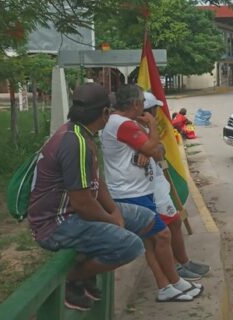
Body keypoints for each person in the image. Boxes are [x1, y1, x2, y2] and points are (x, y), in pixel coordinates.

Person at [27, 83, 155, 311]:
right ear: (105, 113)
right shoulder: (74, 142)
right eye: (111, 110)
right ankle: (70, 278)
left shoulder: (83, 134)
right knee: (131, 247)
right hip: (56, 224)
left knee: (146, 218)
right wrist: (113, 222)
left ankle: (87, 269)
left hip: (75, 213)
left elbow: (97, 182)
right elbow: (83, 203)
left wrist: (113, 211)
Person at [101, 85, 202, 302]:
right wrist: (153, 129)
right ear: (136, 104)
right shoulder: (124, 124)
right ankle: (175, 281)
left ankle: (165, 286)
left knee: (152, 240)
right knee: (162, 234)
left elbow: (155, 151)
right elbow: (153, 148)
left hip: (137, 190)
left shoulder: (122, 124)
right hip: (131, 193)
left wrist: (149, 147)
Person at [142, 93, 210, 280]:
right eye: (155, 109)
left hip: (158, 183)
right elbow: (155, 151)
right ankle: (173, 269)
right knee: (161, 233)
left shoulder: (147, 129)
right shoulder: (138, 129)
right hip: (148, 188)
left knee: (175, 222)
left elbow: (160, 150)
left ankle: (183, 261)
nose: (157, 112)